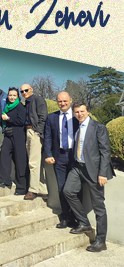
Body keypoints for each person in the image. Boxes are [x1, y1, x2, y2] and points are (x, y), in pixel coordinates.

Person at [63, 103, 115, 252]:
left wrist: (102, 173)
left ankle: (101, 241)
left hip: (94, 171)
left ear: (88, 111)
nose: (79, 114)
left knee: (98, 207)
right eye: (76, 112)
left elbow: (105, 151)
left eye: (82, 111)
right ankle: (84, 223)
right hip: (78, 168)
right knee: (68, 191)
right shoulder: (78, 126)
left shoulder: (98, 127)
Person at [44, 91, 80, 228]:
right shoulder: (51, 117)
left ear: (70, 100)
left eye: (65, 101)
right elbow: (48, 137)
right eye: (60, 101)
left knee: (76, 188)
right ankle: (65, 217)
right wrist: (48, 154)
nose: (62, 103)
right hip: (58, 157)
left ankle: (77, 218)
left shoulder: (77, 116)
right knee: (61, 187)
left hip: (74, 157)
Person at [0, 88, 28, 195]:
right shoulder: (7, 106)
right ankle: (5, 180)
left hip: (18, 135)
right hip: (8, 134)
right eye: (10, 95)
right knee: (4, 155)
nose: (12, 97)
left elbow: (21, 121)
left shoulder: (20, 106)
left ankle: (22, 187)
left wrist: (8, 119)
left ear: (17, 96)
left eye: (14, 95)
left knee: (20, 160)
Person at [21, 83, 49, 200]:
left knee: (33, 162)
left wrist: (37, 132)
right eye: (22, 91)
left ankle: (33, 190)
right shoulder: (26, 103)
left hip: (34, 132)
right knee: (37, 162)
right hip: (28, 132)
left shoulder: (38, 99)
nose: (24, 93)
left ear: (31, 89)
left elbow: (43, 117)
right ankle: (42, 189)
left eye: (26, 90)